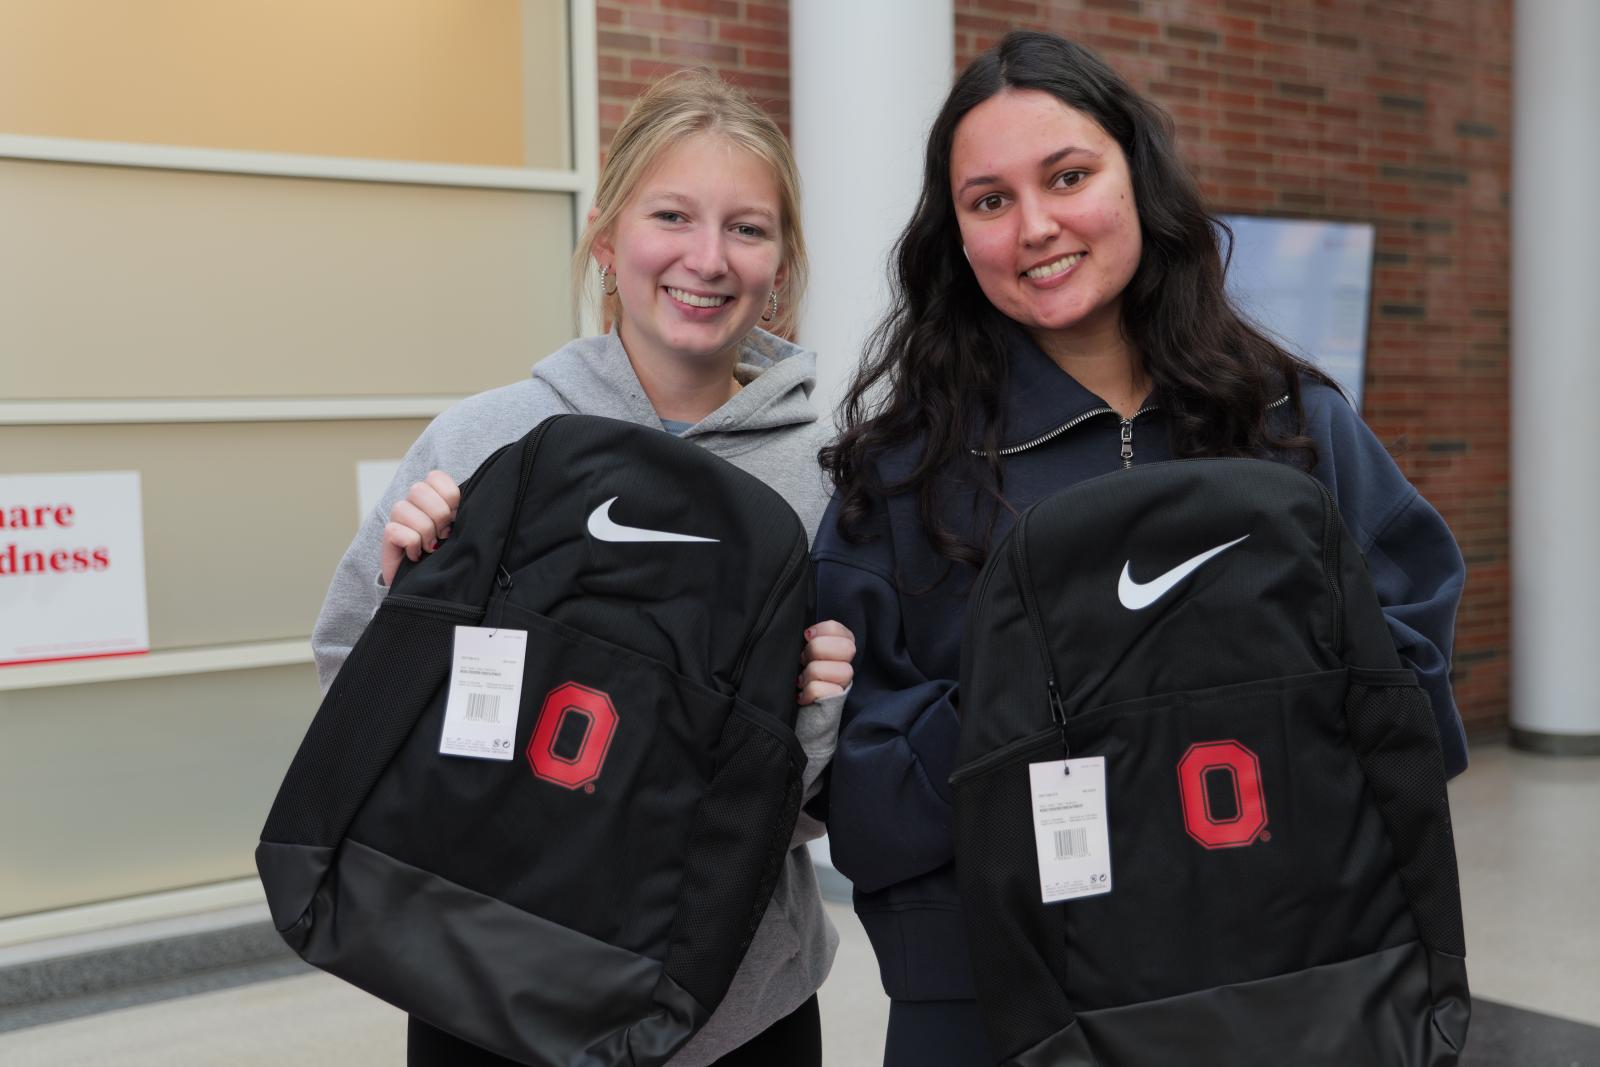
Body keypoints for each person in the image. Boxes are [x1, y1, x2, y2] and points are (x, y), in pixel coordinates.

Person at [813, 30, 1467, 1066]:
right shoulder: (898, 479)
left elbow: (1413, 710)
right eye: (989, 200)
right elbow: (860, 798)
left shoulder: (1292, 426)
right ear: (956, 234)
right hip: (996, 1010)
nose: (1035, 226)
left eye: (1067, 176)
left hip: (1279, 980)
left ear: (1137, 177)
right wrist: (1036, 694)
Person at [311, 70, 855, 1067]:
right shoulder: (484, 438)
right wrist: (412, 616)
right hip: (478, 970)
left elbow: (821, 806)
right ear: (606, 238)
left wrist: (812, 724)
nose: (706, 258)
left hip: (736, 1010)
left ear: (781, 261)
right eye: (672, 215)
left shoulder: (827, 480)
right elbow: (349, 677)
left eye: (747, 227)